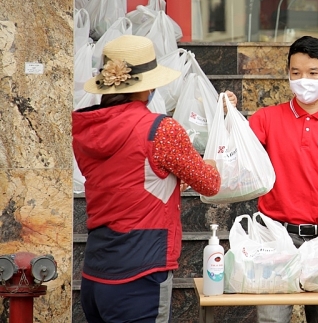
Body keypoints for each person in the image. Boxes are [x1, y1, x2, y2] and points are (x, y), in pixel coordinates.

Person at [72, 35, 236, 323]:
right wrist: (208, 162)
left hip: (95, 272)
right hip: (141, 271)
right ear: (148, 85)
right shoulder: (161, 130)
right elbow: (209, 183)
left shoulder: (86, 129)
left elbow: (129, 178)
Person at [247, 35, 318, 323]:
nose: (304, 80)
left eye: (313, 73)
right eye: (296, 73)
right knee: (271, 320)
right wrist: (229, 120)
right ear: (287, 74)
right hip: (275, 237)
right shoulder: (265, 119)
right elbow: (240, 158)